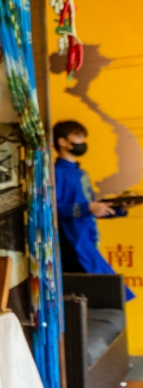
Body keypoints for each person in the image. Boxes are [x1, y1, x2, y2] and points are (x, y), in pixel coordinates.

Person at [53, 120, 135, 299]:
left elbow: (91, 209)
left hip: (87, 238)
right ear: (62, 142)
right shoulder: (55, 172)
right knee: (106, 293)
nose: (83, 141)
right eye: (78, 136)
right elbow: (53, 209)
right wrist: (88, 207)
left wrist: (120, 209)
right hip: (72, 243)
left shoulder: (81, 174)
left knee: (111, 293)